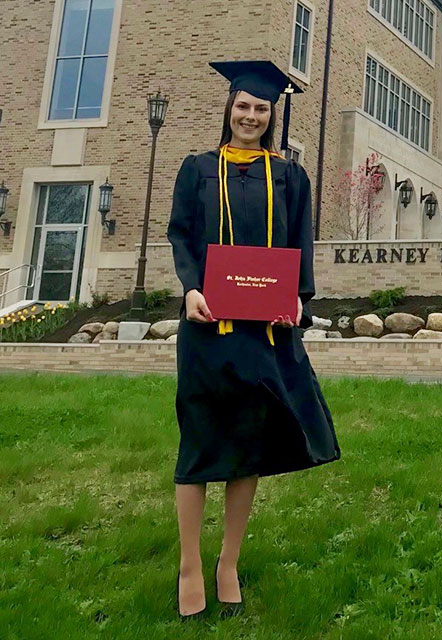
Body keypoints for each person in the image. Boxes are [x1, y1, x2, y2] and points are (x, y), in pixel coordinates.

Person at [166, 60, 340, 619]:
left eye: (261, 109)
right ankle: (190, 565)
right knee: (198, 445)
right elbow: (182, 234)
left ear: (271, 115)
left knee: (248, 448)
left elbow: (297, 244)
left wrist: (297, 298)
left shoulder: (290, 177)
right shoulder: (196, 170)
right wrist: (191, 288)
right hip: (206, 327)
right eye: (243, 106)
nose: (251, 116)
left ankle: (228, 563)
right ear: (229, 108)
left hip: (264, 332)